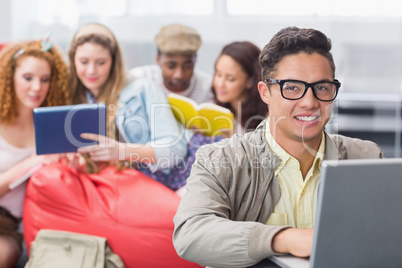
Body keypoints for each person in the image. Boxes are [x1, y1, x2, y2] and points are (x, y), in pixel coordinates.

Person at [172, 26, 384, 267]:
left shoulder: (366, 156)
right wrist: (282, 238)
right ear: (265, 93)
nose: (309, 102)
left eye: (322, 87)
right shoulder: (219, 159)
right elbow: (190, 235)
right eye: (292, 87)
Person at [68, 23, 189, 187]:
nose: (91, 71)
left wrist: (124, 151)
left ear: (113, 62)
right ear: (73, 61)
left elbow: (175, 149)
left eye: (101, 62)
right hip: (127, 182)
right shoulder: (75, 101)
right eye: (83, 61)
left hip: (180, 170)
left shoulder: (142, 88)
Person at [0, 39, 69, 267]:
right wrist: (31, 162)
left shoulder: (52, 128)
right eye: (28, 78)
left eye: (45, 79)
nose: (37, 87)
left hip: (7, 225)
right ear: (10, 77)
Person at [128, 23, 213, 104]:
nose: (179, 75)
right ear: (158, 59)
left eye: (188, 66)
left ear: (195, 60)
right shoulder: (141, 78)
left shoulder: (209, 87)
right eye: (171, 66)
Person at [212, 41, 268, 135]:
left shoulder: (267, 118)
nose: (220, 84)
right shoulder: (214, 107)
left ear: (250, 81)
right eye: (218, 74)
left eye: (230, 79)